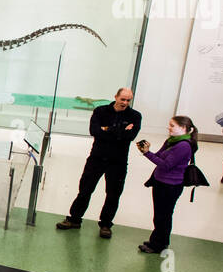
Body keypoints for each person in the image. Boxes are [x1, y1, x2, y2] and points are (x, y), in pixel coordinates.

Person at [57, 87, 142, 239]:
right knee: (85, 189)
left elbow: (130, 136)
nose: (125, 103)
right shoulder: (100, 111)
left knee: (113, 194)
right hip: (97, 158)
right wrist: (120, 130)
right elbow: (94, 131)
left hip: (118, 162)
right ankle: (74, 219)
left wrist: (107, 130)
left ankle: (105, 224)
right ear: (115, 96)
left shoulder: (135, 116)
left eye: (128, 100)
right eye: (122, 99)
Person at [136, 115, 198, 255]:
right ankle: (157, 240)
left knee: (163, 215)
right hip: (161, 182)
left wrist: (147, 154)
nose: (168, 128)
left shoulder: (183, 146)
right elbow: (159, 155)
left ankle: (159, 245)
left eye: (172, 125)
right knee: (159, 215)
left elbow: (166, 165)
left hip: (170, 186)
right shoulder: (172, 141)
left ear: (183, 128)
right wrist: (148, 151)